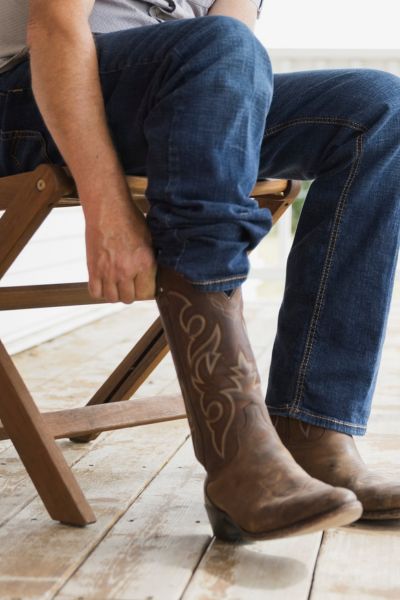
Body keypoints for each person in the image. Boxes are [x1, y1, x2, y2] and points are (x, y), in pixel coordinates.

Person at [0, 0, 399, 541]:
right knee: (218, 47)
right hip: (29, 87)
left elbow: (236, 67)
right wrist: (108, 208)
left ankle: (312, 432)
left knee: (377, 110)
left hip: (177, 88)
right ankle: (237, 457)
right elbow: (54, 28)